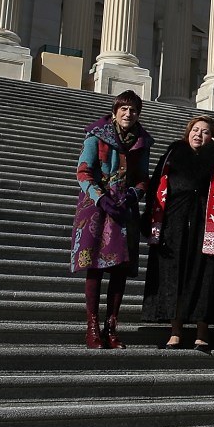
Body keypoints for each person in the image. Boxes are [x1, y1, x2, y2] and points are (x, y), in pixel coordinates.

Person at [142, 115, 214, 352]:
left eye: (205, 131)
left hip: (205, 223)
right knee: (173, 276)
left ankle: (202, 331)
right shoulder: (173, 154)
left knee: (204, 275)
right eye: (195, 130)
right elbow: (156, 185)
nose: (198, 134)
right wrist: (149, 220)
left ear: (213, 136)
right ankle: (175, 330)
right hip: (173, 222)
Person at [72, 91, 153, 349]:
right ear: (116, 110)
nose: (128, 114)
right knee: (95, 266)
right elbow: (83, 172)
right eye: (124, 109)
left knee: (120, 270)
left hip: (124, 210)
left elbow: (142, 178)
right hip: (96, 208)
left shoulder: (142, 142)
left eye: (133, 110)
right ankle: (92, 327)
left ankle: (111, 327)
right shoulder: (96, 135)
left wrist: (133, 194)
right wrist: (100, 197)